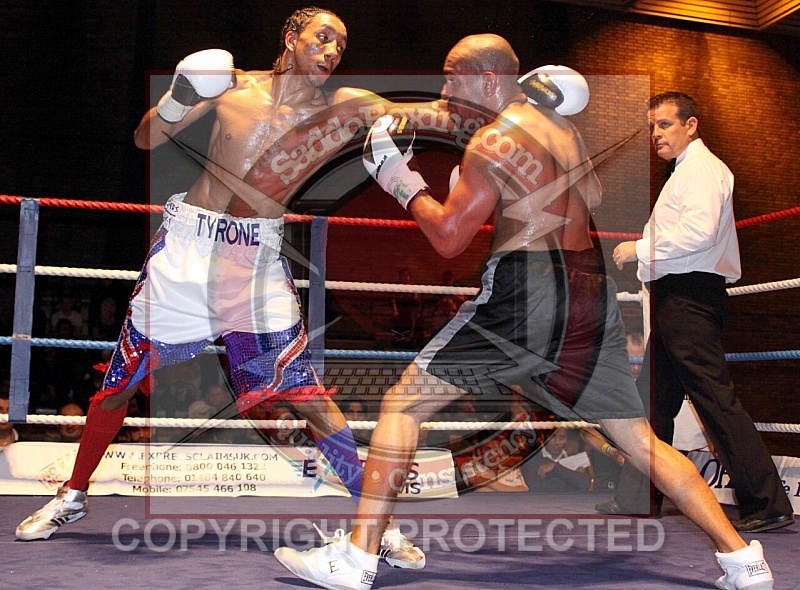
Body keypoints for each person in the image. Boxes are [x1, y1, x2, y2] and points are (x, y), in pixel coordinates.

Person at [274, 36, 774, 590]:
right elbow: (593, 195)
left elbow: (448, 237)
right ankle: (742, 561)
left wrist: (400, 180)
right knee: (640, 440)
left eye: (453, 77)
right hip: (589, 291)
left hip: (526, 290)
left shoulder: (492, 140)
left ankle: (358, 557)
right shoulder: (563, 131)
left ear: (488, 80)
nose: (445, 89)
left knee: (403, 405)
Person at [15, 7, 423, 568]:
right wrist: (181, 95)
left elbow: (412, 113)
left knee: (307, 396)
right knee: (118, 385)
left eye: (340, 44)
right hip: (190, 249)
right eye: (322, 37)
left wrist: (401, 127)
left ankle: (379, 527)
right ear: (290, 37)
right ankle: (72, 495)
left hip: (255, 261)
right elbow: (145, 138)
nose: (331, 51)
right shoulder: (229, 86)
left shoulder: (343, 106)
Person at [608, 92, 794, 533]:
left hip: (689, 297)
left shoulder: (702, 170)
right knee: (653, 402)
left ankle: (767, 502)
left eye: (665, 124)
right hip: (677, 297)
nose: (655, 134)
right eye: (652, 127)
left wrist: (639, 249)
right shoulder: (685, 171)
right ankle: (639, 497)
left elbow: (699, 232)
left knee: (713, 399)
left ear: (690, 125)